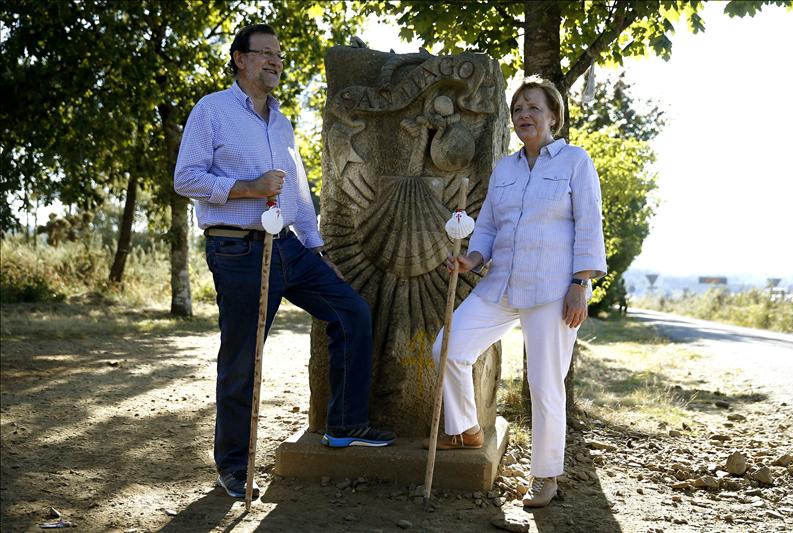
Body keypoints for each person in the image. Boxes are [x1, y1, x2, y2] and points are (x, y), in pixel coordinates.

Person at [174, 23, 395, 500]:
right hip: (237, 249)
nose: (275, 61)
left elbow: (296, 191)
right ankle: (234, 466)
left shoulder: (282, 121)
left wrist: (317, 249)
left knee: (351, 311)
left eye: (279, 54)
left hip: (290, 248)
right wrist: (247, 188)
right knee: (242, 358)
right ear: (239, 59)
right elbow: (185, 178)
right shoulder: (211, 110)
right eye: (265, 53)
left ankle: (345, 424)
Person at [428, 75, 606, 508]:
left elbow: (589, 224)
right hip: (501, 281)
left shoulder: (575, 162)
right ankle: (467, 428)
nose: (524, 114)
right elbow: (487, 225)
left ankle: (545, 474)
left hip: (553, 287)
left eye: (534, 107)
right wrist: (472, 259)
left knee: (545, 384)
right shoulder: (505, 169)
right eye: (518, 109)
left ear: (554, 117)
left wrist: (580, 284)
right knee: (447, 347)